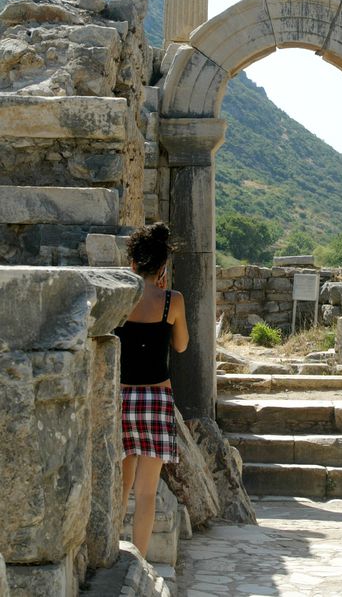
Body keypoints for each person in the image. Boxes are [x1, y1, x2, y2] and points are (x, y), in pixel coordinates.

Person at [114, 221, 188, 558]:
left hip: (122, 396)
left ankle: (110, 552)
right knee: (146, 493)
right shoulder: (173, 301)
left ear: (132, 264)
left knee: (121, 485)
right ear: (162, 267)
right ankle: (140, 563)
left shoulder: (119, 296)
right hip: (156, 399)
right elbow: (182, 346)